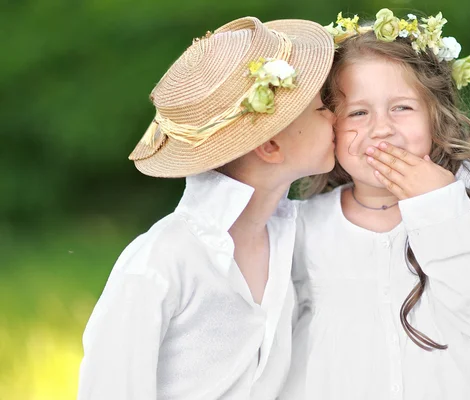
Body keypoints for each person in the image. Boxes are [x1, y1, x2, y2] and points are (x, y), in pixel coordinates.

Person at [77, 16, 336, 400]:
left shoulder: (293, 237)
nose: (335, 115)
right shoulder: (161, 263)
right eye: (320, 109)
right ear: (270, 146)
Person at [281, 9, 470, 400]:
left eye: (402, 107)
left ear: (435, 115)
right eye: (358, 112)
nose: (382, 128)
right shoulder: (304, 226)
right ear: (329, 125)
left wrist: (438, 205)